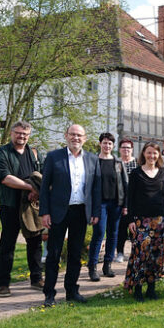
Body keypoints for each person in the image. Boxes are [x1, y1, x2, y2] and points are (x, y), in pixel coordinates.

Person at [39, 124, 101, 307]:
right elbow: (44, 188)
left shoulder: (92, 159)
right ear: (66, 136)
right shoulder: (53, 157)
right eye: (72, 134)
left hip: (80, 212)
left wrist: (95, 211)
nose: (76, 138)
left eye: (79, 135)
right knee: (53, 254)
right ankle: (49, 294)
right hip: (58, 212)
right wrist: (45, 212)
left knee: (75, 254)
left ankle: (72, 291)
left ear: (85, 138)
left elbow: (96, 188)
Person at [0, 121, 44, 297]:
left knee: (35, 243)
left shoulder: (34, 153)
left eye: (25, 134)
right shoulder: (2, 153)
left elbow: (42, 175)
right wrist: (30, 188)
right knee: (7, 244)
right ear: (11, 133)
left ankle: (37, 279)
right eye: (18, 133)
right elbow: (5, 178)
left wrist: (37, 191)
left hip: (31, 206)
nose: (22, 136)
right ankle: (3, 284)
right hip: (11, 205)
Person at [124, 142, 164, 301]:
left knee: (155, 255)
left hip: (158, 220)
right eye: (149, 153)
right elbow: (130, 198)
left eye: (155, 153)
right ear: (144, 154)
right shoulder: (136, 173)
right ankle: (138, 289)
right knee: (140, 255)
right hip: (141, 221)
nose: (152, 156)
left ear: (158, 155)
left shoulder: (163, 173)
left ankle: (151, 289)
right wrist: (130, 219)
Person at [87, 132, 128, 281]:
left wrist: (125, 205)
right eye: (104, 143)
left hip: (116, 204)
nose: (107, 146)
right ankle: (92, 266)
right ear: (100, 144)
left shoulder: (118, 163)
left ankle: (107, 265)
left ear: (113, 145)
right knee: (99, 234)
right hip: (100, 204)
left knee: (113, 234)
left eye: (110, 143)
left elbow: (124, 184)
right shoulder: (93, 162)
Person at [115, 138, 138, 263]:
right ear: (119, 149)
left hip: (134, 201)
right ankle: (119, 252)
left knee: (135, 229)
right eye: (123, 147)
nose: (126, 150)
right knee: (121, 228)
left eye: (128, 148)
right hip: (119, 201)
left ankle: (135, 252)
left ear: (132, 149)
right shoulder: (116, 163)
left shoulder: (137, 163)